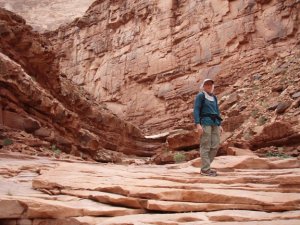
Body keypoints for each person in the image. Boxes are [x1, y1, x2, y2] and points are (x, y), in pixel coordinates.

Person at [193, 78, 223, 176]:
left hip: (215, 123)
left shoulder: (214, 97)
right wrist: (198, 124)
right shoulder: (200, 96)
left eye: (210, 84)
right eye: (206, 84)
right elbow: (196, 110)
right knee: (205, 145)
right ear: (203, 86)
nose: (209, 86)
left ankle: (205, 167)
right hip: (205, 122)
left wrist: (220, 124)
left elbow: (217, 111)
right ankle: (205, 169)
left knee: (215, 145)